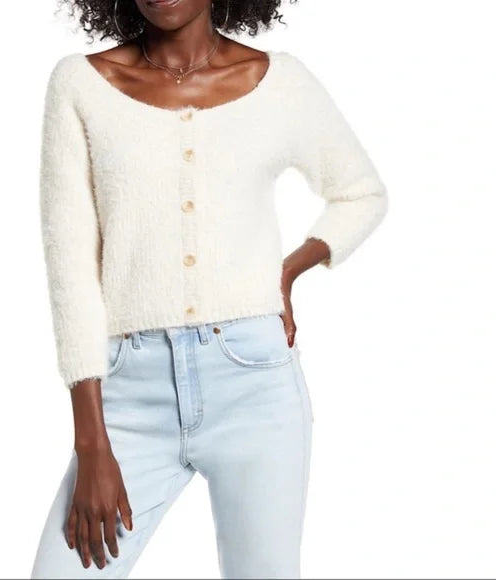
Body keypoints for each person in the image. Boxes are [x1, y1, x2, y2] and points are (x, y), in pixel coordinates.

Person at [30, 0, 388, 578]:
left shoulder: (278, 81)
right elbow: (69, 267)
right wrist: (91, 443)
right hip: (127, 396)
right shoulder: (82, 84)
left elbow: (361, 193)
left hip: (255, 383)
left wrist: (287, 270)